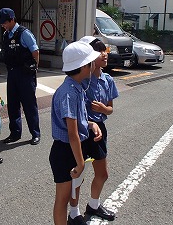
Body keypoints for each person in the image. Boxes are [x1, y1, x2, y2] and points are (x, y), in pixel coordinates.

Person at [49, 41, 102, 225]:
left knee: (67, 195)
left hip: (71, 148)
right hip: (65, 151)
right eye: (91, 62)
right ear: (84, 66)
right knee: (62, 200)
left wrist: (90, 124)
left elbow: (77, 122)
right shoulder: (69, 92)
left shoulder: (75, 87)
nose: (93, 65)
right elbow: (72, 133)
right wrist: (80, 163)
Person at [79, 36, 118, 221]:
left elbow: (110, 109)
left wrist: (104, 109)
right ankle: (73, 213)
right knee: (78, 174)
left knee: (102, 173)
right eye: (99, 51)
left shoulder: (108, 80)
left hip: (99, 130)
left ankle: (93, 205)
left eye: (105, 50)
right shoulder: (81, 80)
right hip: (81, 130)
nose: (104, 54)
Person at [0, 8, 41, 145]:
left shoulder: (24, 33)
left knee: (29, 105)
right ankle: (15, 133)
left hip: (25, 74)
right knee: (13, 105)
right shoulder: (6, 34)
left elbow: (35, 52)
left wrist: (34, 68)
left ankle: (35, 133)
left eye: (4, 22)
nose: (2, 25)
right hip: (12, 73)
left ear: (12, 19)